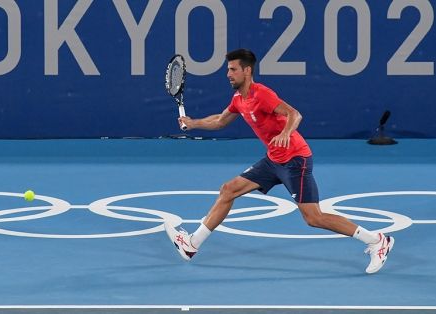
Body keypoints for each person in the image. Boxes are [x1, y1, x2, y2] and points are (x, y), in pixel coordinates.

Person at [164, 48, 394, 274]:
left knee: (314, 217)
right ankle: (192, 244)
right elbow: (220, 121)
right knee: (228, 190)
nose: (228, 74)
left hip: (295, 159)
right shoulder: (238, 99)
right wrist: (194, 123)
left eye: (233, 69)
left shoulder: (261, 94)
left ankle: (377, 241)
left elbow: (295, 114)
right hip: (273, 160)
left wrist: (285, 133)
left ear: (247, 71)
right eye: (228, 70)